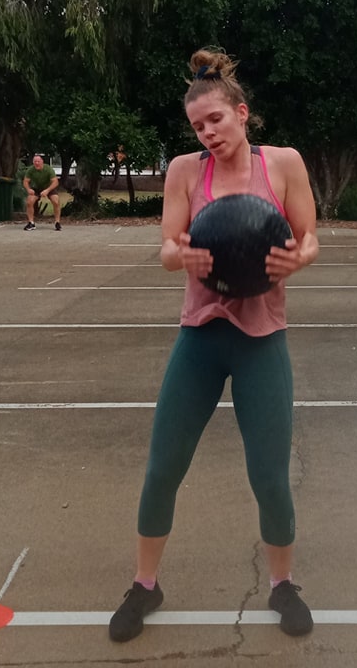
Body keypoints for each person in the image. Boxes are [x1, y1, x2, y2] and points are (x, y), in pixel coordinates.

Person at [109, 48, 320, 643]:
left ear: (241, 113)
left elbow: (309, 239)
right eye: (198, 126)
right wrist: (181, 255)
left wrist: (298, 259)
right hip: (201, 337)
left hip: (261, 338)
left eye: (216, 120)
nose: (207, 133)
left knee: (270, 477)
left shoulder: (283, 164)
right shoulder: (184, 171)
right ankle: (145, 586)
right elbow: (167, 248)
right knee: (162, 470)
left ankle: (282, 584)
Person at [23, 154, 61, 231]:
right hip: (36, 188)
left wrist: (47, 190)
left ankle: (57, 222)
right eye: (35, 161)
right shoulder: (31, 170)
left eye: (38, 161)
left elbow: (55, 182)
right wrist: (28, 189)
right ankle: (31, 223)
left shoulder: (48, 169)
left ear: (42, 162)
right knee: (29, 201)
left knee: (56, 201)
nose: (37, 163)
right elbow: (25, 181)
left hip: (49, 187)